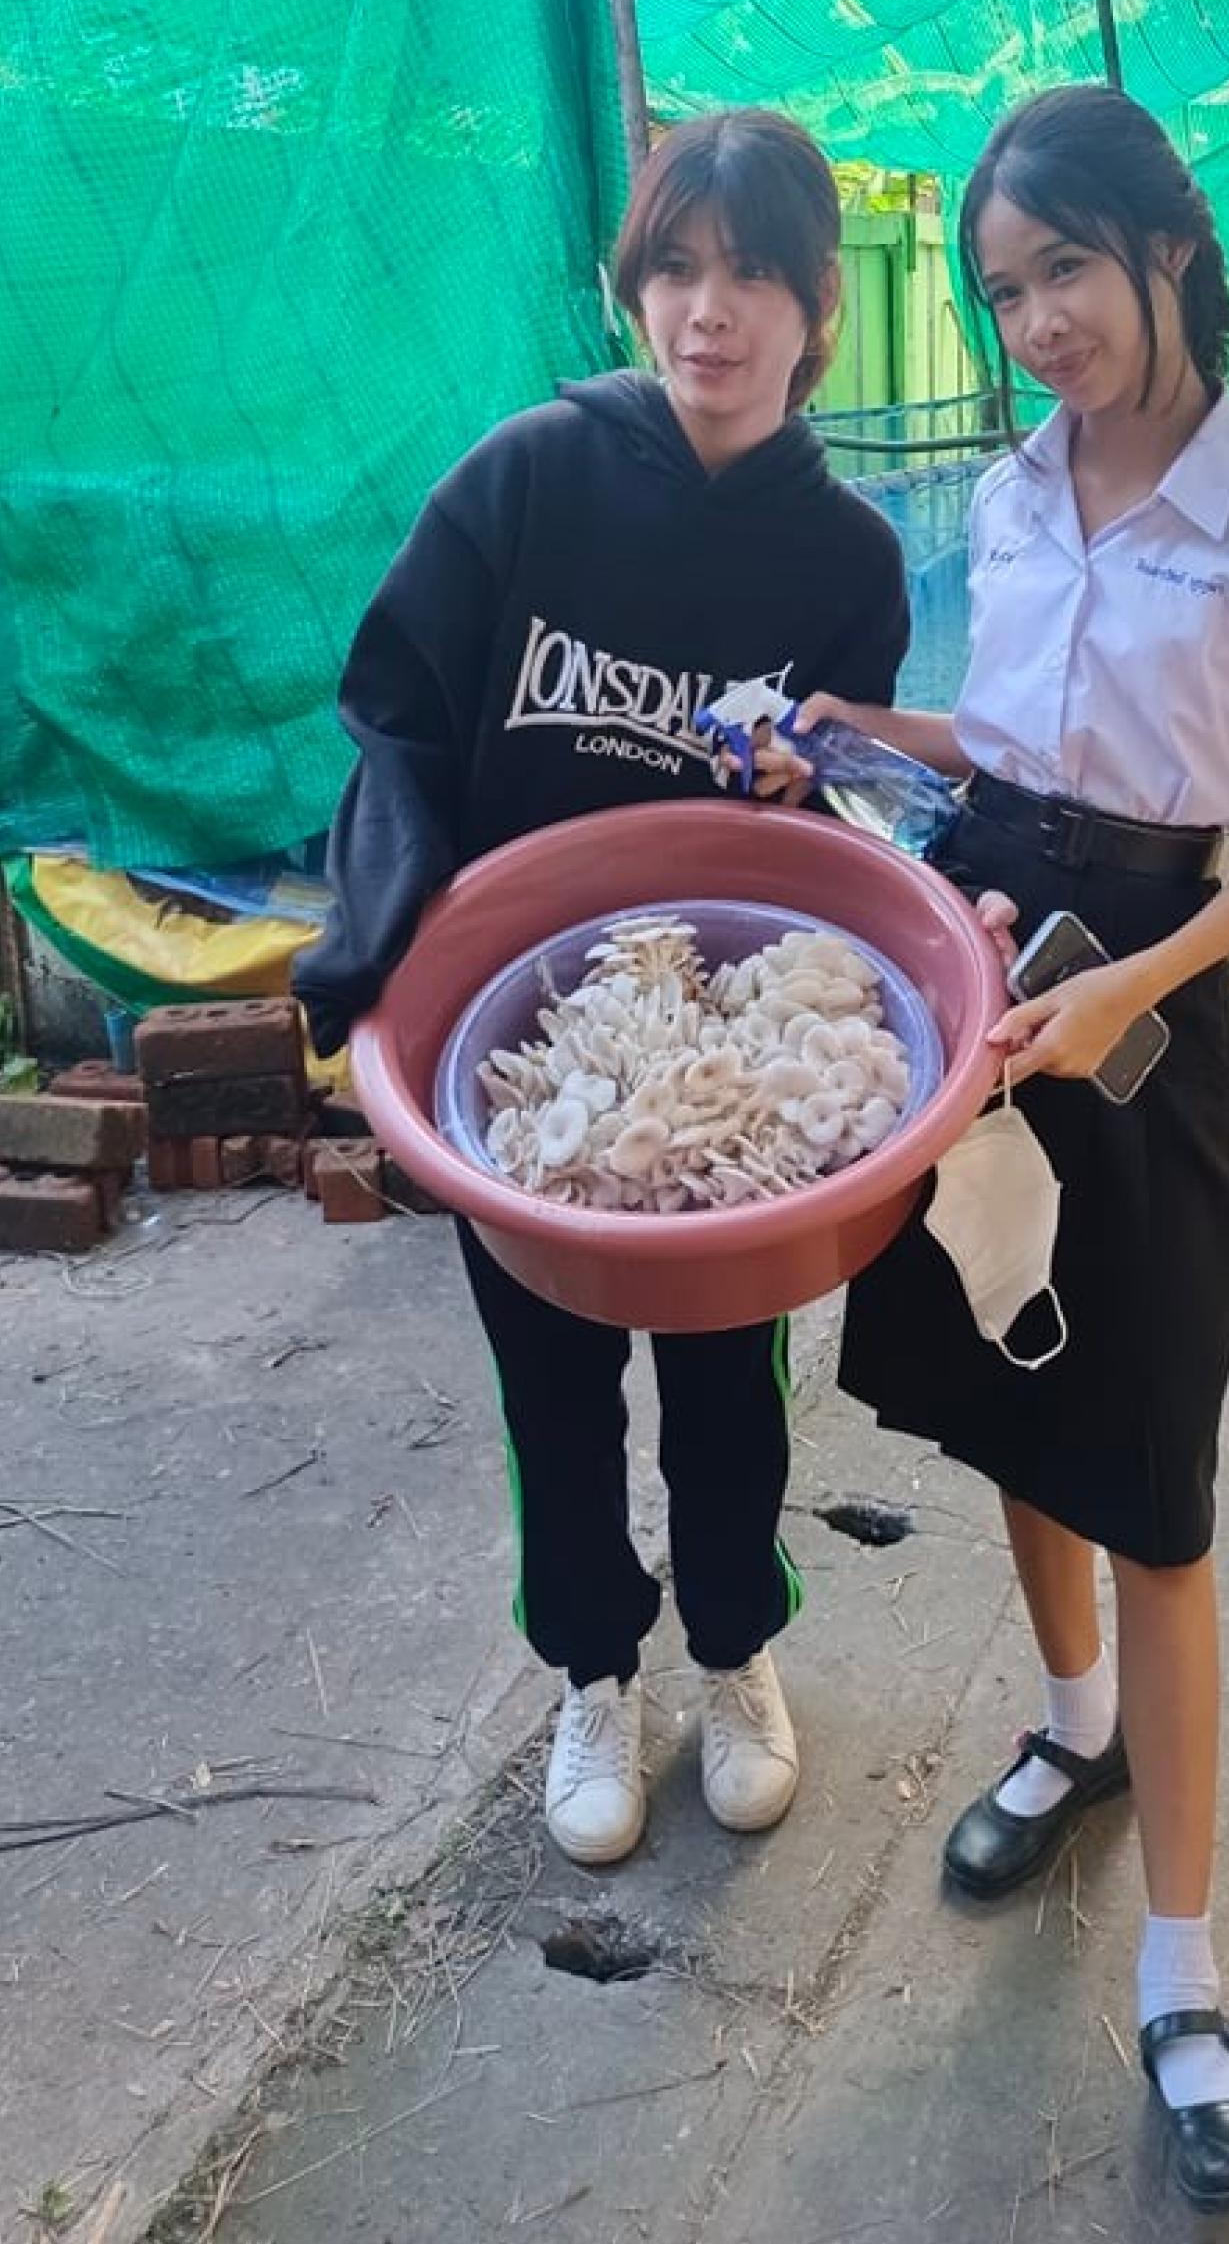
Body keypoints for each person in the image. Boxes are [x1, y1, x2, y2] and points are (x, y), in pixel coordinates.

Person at [765, 85, 1229, 2212]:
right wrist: (856, 735)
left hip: (1141, 1009)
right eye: (1003, 287)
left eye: (1065, 270)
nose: (1037, 322)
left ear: (1166, 248)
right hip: (978, 979)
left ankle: (1188, 1984)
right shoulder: (1015, 493)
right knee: (1009, 1410)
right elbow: (1012, 747)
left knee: (1155, 1485)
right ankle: (1072, 1728)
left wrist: (1137, 985)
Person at [295, 109, 909, 1868]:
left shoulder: (846, 561)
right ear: (633, 285)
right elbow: (398, 717)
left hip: (726, 1065)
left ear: (818, 307)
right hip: (539, 1055)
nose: (711, 312)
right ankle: (592, 1676)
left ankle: (735, 1650)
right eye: (678, 269)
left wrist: (823, 801)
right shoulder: (528, 479)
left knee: (727, 1381)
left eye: (755, 276)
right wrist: (378, 949)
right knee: (549, 1381)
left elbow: (850, 819)